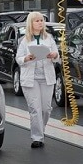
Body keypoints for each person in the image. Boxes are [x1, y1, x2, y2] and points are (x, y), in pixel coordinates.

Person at [15, 12, 60, 148]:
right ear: (31, 23)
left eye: (41, 20)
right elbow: (18, 59)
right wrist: (26, 58)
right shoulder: (24, 40)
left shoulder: (49, 38)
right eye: (37, 21)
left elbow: (57, 57)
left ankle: (41, 130)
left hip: (47, 78)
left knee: (46, 109)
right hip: (31, 79)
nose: (40, 23)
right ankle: (37, 137)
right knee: (35, 108)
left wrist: (54, 55)